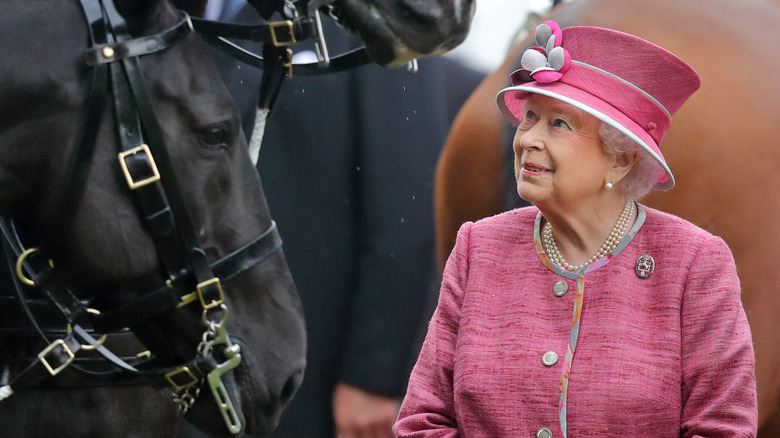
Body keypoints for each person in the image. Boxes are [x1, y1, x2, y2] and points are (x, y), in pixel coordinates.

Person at [394, 21, 758, 437]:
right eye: (530, 116)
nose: (527, 138)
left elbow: (722, 427)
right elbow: (423, 420)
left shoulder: (694, 262)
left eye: (559, 124)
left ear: (620, 159)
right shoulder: (479, 247)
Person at [178, 4, 485, 438]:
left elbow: (405, 199)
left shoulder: (373, 17)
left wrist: (374, 377)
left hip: (315, 372)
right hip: (188, 362)